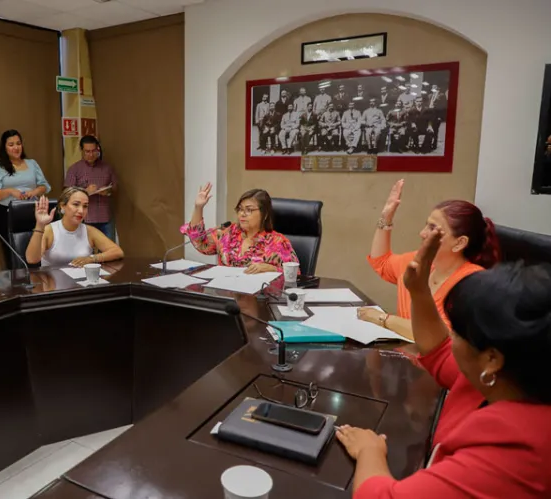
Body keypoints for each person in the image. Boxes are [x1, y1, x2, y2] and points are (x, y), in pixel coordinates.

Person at [337, 229, 551, 498]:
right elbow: (438, 351)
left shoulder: (516, 450)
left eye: (457, 331)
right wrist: (419, 290)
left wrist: (369, 451)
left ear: (492, 358)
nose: (451, 338)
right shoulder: (507, 375)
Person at [359, 179, 500, 340]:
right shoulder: (416, 262)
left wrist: (383, 319)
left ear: (459, 243)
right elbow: (381, 263)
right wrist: (386, 217)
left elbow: (443, 338)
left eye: (433, 228)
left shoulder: (472, 282)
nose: (422, 233)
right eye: (426, 225)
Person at [180, 183, 299, 274]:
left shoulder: (278, 242)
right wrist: (198, 207)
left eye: (249, 210)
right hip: (226, 296)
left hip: (257, 300)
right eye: (240, 209)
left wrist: (272, 268)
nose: (242, 214)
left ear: (265, 214)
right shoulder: (227, 233)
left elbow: (295, 275)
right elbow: (200, 242)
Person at [0, 129, 51, 269]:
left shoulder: (32, 164)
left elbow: (45, 186)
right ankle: (17, 285)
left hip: (32, 212)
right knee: (13, 254)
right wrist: (10, 191)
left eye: (18, 143)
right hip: (7, 213)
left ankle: (38, 284)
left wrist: (34, 191)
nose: (16, 148)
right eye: (11, 144)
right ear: (4, 147)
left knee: (36, 249)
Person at [25, 187, 123, 268]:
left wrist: (92, 258)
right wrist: (40, 225)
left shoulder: (89, 231)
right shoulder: (49, 230)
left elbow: (117, 252)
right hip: (53, 284)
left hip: (81, 284)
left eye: (85, 206)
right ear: (63, 206)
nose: (81, 210)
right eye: (76, 204)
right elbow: (32, 259)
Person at [64, 135, 118, 241]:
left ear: (98, 149)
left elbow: (115, 187)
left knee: (110, 251)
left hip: (105, 217)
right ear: (81, 150)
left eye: (93, 151)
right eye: (87, 151)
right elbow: (67, 193)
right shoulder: (74, 169)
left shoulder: (107, 168)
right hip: (84, 218)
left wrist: (108, 191)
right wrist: (85, 191)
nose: (91, 154)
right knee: (85, 252)